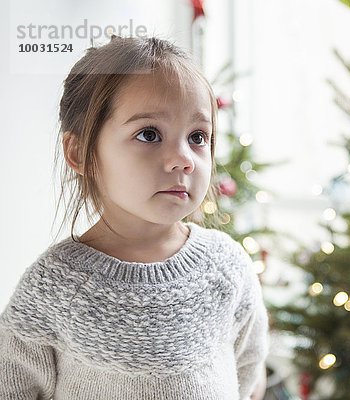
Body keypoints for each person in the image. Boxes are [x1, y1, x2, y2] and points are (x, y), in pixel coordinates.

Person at [0, 35, 268, 400]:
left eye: (198, 137)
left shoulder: (227, 267)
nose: (184, 158)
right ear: (80, 152)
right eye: (149, 134)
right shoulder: (53, 288)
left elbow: (248, 378)